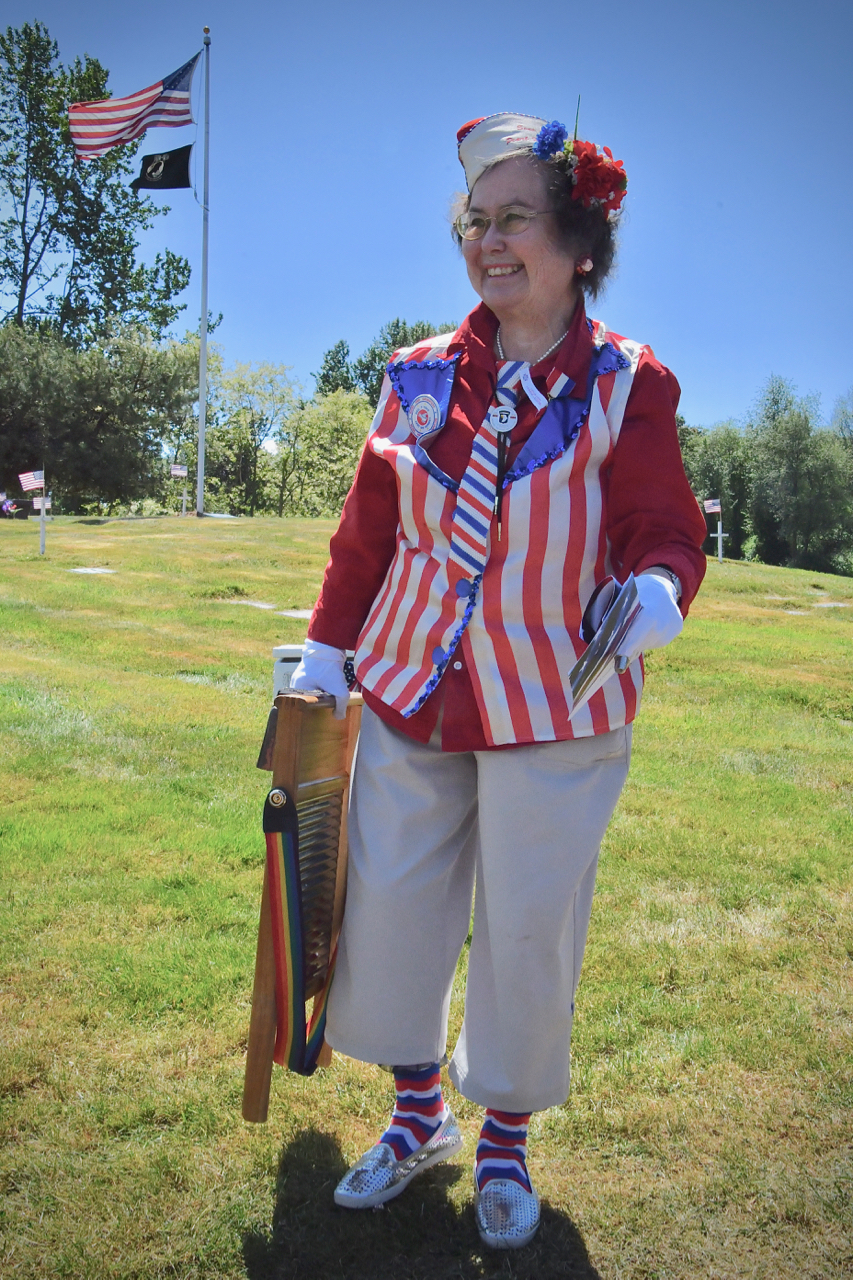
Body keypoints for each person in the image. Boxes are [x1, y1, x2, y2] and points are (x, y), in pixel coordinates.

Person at [289, 111, 707, 1249]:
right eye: (476, 220)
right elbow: (367, 534)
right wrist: (328, 650)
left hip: (555, 702)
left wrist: (661, 591)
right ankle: (417, 1115)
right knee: (390, 909)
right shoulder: (417, 373)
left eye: (515, 217)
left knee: (527, 927)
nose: (489, 239)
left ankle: (507, 1141)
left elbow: (661, 527)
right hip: (415, 685)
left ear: (579, 239)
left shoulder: (630, 383)